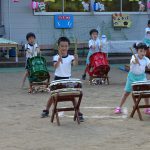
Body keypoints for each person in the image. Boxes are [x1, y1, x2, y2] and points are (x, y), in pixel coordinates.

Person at [41, 37, 84, 121]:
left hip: (67, 80)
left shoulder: (71, 57)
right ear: (58, 47)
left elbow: (75, 64)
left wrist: (76, 58)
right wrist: (59, 60)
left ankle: (78, 112)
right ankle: (46, 110)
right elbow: (55, 67)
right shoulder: (55, 57)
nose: (64, 48)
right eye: (62, 46)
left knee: (72, 96)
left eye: (66, 46)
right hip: (57, 79)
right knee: (53, 96)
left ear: (68, 47)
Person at [114, 42, 150, 114]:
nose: (143, 53)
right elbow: (132, 61)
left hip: (142, 77)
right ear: (137, 51)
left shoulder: (146, 59)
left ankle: (147, 108)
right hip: (132, 77)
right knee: (126, 93)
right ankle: (119, 107)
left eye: (144, 51)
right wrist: (135, 61)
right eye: (141, 51)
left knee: (146, 93)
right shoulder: (134, 57)